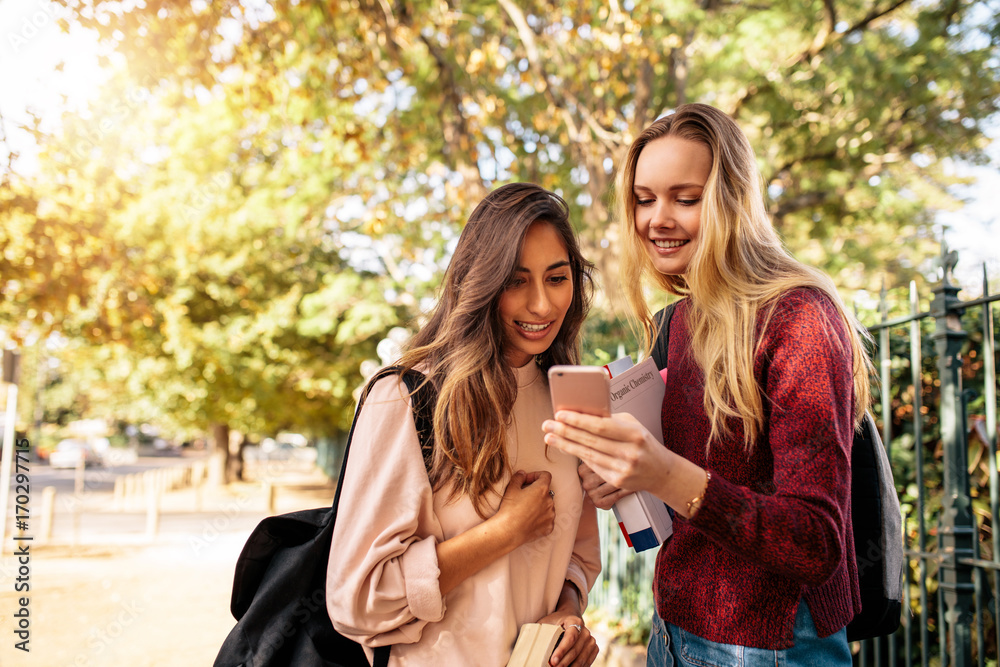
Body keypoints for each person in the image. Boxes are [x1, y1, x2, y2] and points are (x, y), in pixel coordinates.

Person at [542, 104, 872, 666]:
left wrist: (665, 473)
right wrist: (622, 479)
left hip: (766, 647)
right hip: (672, 631)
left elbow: (816, 542)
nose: (656, 219)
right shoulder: (679, 320)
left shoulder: (799, 319)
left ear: (731, 200)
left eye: (685, 198)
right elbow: (690, 482)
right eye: (644, 199)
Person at [327, 183, 602, 667]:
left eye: (557, 278)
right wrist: (503, 532)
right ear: (481, 283)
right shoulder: (406, 397)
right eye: (517, 281)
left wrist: (569, 616)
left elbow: (578, 556)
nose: (542, 304)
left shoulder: (569, 401)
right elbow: (357, 601)